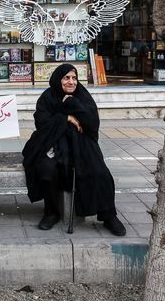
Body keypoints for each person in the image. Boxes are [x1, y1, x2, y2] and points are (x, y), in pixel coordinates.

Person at [22, 63, 126, 236]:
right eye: (66, 78)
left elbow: (92, 123)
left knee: (100, 172)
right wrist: (66, 118)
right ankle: (51, 213)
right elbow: (41, 123)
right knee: (48, 169)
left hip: (82, 144)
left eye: (74, 78)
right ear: (58, 79)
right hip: (53, 143)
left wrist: (73, 103)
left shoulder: (82, 95)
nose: (71, 82)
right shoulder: (47, 97)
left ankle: (109, 215)